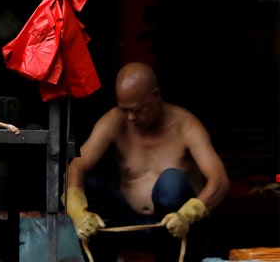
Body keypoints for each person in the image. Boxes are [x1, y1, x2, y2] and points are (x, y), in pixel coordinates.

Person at [63, 61, 230, 261]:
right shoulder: (115, 120)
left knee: (171, 180)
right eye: (124, 110)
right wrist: (77, 210)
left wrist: (187, 215)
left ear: (156, 95)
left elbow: (219, 180)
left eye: (137, 110)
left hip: (175, 228)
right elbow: (77, 166)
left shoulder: (186, 125)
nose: (131, 118)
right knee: (89, 186)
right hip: (128, 222)